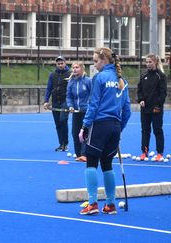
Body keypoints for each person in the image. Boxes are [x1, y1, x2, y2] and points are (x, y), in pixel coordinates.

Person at [78, 47, 131, 215]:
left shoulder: (99, 78)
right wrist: (118, 128)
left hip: (100, 125)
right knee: (107, 165)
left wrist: (85, 126)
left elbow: (93, 105)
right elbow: (127, 111)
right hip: (114, 127)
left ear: (104, 60)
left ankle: (92, 204)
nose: (94, 64)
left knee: (91, 163)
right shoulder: (122, 80)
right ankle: (110, 204)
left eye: (95, 61)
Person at [137, 54, 167, 161]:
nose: (148, 64)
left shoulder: (161, 76)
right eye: (147, 62)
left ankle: (160, 153)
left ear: (155, 62)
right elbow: (139, 90)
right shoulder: (143, 75)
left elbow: (163, 93)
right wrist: (141, 100)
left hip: (156, 109)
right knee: (145, 130)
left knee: (157, 130)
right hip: (145, 109)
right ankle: (144, 152)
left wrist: (158, 105)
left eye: (150, 62)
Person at [43, 56, 72, 152]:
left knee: (63, 120)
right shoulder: (52, 74)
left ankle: (65, 144)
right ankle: (61, 144)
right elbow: (49, 88)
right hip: (55, 101)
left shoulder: (70, 74)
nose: (60, 65)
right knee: (58, 124)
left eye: (62, 63)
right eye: (58, 64)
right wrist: (46, 101)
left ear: (65, 63)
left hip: (65, 101)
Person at [66, 62, 92, 162]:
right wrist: (71, 106)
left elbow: (92, 95)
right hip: (76, 112)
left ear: (82, 69)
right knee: (75, 133)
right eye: (73, 67)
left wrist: (88, 106)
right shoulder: (71, 82)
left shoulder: (88, 81)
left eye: (77, 67)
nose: (74, 69)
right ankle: (78, 154)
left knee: (85, 133)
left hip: (86, 112)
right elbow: (69, 96)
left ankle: (84, 154)